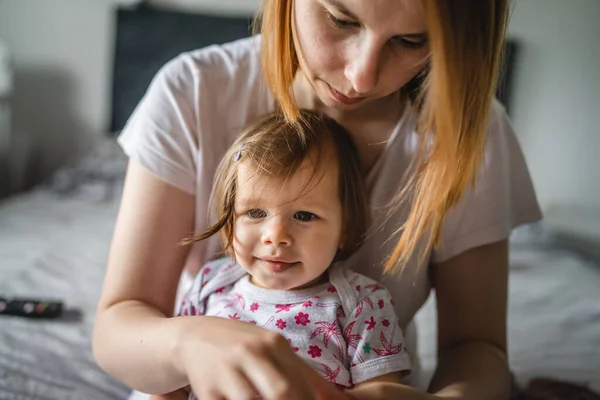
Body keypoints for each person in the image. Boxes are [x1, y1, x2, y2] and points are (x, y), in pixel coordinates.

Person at [93, 0, 542, 399]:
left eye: (409, 40)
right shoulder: (191, 91)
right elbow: (119, 326)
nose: (361, 75)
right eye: (340, 20)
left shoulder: (470, 135)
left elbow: (476, 348)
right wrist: (187, 345)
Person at [149, 110, 412, 400]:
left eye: (304, 215)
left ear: (345, 229)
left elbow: (385, 390)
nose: (275, 235)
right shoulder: (211, 283)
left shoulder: (362, 302)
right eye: (255, 212)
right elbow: (173, 383)